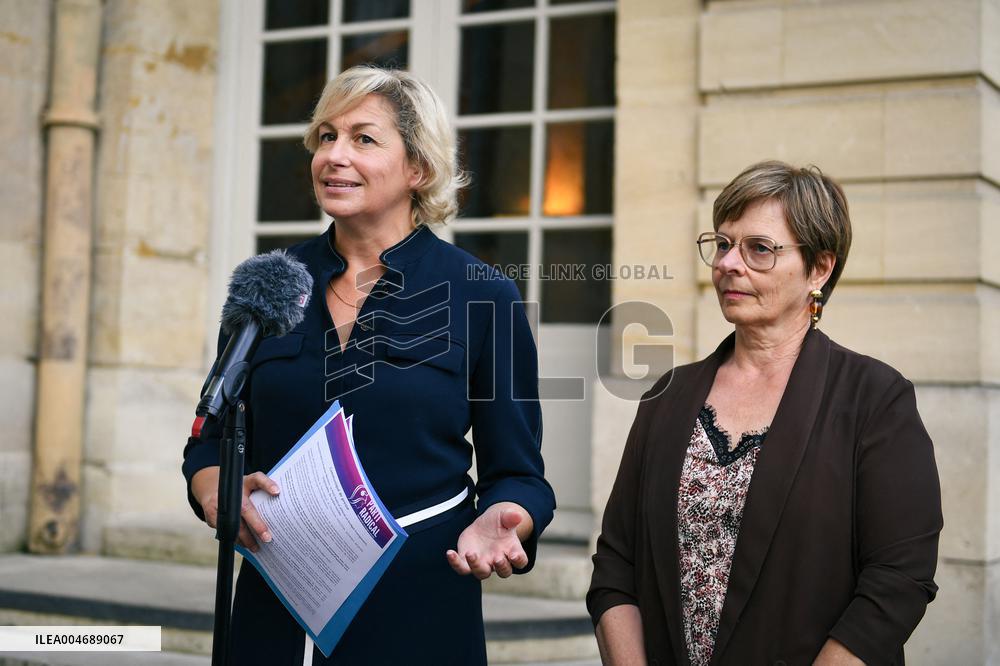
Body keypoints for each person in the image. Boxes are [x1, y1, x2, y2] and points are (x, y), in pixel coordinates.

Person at [182, 66, 555, 665]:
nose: (334, 155)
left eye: (363, 138)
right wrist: (216, 494)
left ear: (419, 169)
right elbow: (207, 440)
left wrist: (509, 520)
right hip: (275, 612)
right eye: (325, 136)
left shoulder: (484, 295)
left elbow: (521, 476)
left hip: (419, 608)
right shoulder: (268, 282)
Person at [587, 161, 942, 666]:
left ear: (819, 268)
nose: (730, 263)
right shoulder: (668, 395)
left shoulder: (875, 399)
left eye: (759, 249)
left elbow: (898, 580)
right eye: (724, 244)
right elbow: (617, 564)